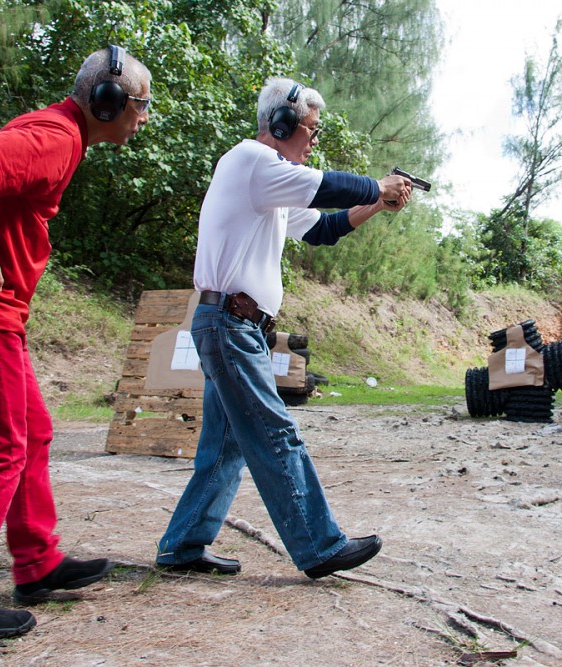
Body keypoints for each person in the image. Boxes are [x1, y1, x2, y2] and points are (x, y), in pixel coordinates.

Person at [0, 46, 152, 642]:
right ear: (109, 101)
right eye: (141, 105)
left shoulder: (61, 134)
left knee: (35, 431)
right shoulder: (56, 137)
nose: (143, 117)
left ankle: (37, 563)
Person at [155, 77, 413, 579]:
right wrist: (376, 186)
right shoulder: (252, 162)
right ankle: (319, 546)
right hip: (230, 324)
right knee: (275, 432)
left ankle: (183, 545)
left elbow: (321, 228)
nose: (314, 141)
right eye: (311, 131)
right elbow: (327, 185)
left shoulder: (268, 180)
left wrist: (378, 204)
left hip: (232, 325)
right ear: (281, 124)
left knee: (226, 447)